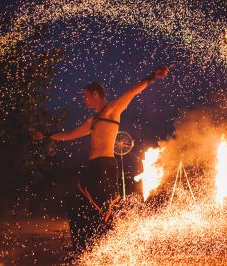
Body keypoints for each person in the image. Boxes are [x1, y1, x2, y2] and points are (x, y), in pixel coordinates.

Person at [31, 66, 169, 255]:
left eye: (86, 96)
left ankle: (113, 249)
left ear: (96, 94)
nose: (84, 99)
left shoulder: (112, 110)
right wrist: (46, 135)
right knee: (77, 203)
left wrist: (153, 76)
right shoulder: (93, 120)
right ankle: (84, 251)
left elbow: (132, 92)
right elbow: (70, 135)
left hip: (104, 166)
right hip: (93, 168)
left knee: (104, 209)